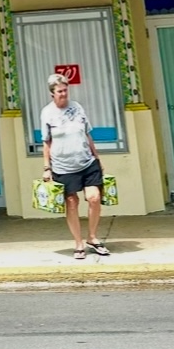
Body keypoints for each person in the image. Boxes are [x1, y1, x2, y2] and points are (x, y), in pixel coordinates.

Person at [40, 74, 109, 259]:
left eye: (65, 90)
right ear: (52, 94)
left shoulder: (77, 107)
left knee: (94, 198)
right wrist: (47, 168)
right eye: (59, 91)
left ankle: (92, 237)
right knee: (72, 203)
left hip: (86, 162)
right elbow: (46, 142)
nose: (63, 94)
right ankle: (78, 243)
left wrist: (97, 157)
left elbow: (87, 134)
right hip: (63, 166)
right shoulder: (47, 113)